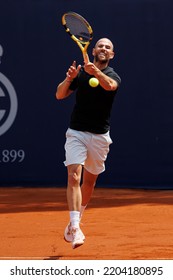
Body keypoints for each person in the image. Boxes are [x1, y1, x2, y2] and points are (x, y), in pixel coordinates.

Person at [56, 38, 121, 249]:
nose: (103, 49)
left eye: (107, 47)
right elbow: (59, 95)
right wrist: (69, 79)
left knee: (90, 182)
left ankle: (76, 219)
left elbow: (109, 86)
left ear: (111, 55)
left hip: (100, 137)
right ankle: (75, 227)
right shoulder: (81, 73)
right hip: (76, 132)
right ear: (93, 50)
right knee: (74, 175)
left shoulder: (112, 75)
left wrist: (96, 73)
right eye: (100, 46)